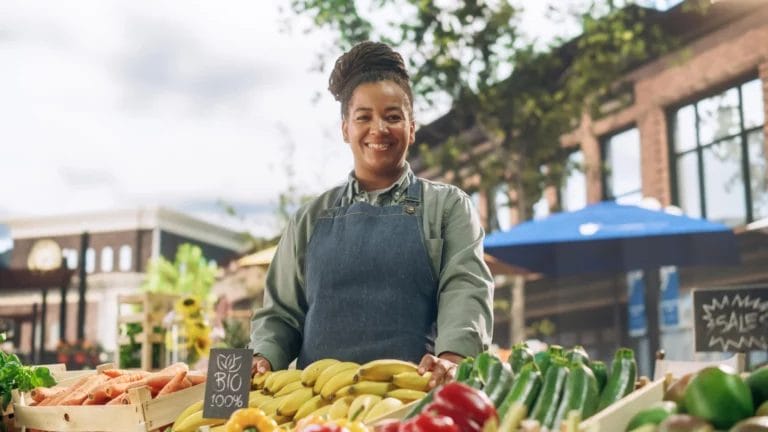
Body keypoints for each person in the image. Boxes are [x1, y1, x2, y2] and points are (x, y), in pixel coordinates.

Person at [250, 41, 493, 387]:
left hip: (411, 401)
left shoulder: (448, 207)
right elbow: (280, 314)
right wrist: (262, 356)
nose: (378, 128)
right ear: (345, 128)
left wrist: (453, 358)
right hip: (315, 406)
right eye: (364, 117)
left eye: (393, 117)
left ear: (411, 128)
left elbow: (465, 288)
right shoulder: (309, 218)